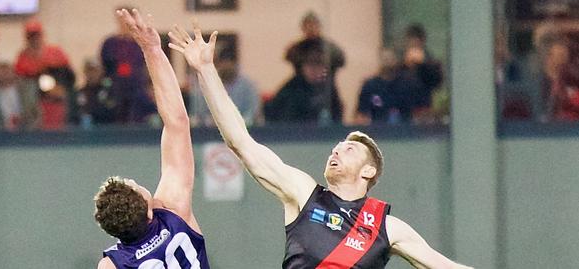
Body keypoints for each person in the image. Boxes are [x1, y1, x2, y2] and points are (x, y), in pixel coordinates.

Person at [169, 25, 473, 269]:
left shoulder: (387, 227)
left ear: (369, 171)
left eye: (349, 149)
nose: (336, 151)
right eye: (336, 147)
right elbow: (241, 143)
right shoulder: (304, 195)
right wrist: (206, 70)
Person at [94, 9, 209, 269]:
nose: (136, 181)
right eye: (137, 186)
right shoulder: (172, 212)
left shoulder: (112, 264)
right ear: (149, 211)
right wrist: (151, 49)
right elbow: (177, 122)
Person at [265, 39, 343, 124]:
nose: (314, 69)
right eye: (309, 64)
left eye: (319, 64)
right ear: (300, 67)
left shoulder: (329, 91)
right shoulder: (291, 91)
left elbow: (335, 122)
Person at [100, 5, 152, 124]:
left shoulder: (140, 43)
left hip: (137, 87)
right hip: (116, 88)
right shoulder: (110, 43)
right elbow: (105, 66)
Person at [189, 42, 260, 127]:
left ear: (236, 64)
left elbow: (253, 114)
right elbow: (198, 115)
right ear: (218, 64)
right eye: (223, 62)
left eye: (230, 62)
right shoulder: (204, 85)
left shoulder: (249, 87)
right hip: (211, 132)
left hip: (243, 131)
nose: (227, 66)